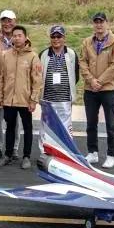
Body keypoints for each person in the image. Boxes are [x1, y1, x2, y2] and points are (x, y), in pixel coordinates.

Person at [80, 12, 114, 169]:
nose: (99, 25)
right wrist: (91, 80)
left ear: (107, 23)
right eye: (96, 22)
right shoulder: (87, 42)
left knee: (111, 124)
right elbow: (82, 62)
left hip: (108, 89)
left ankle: (111, 155)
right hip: (90, 89)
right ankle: (92, 152)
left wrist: (100, 81)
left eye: (101, 22)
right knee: (91, 122)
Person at [0, 25, 42, 169]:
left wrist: (33, 99)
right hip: (9, 98)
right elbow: (1, 77)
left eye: (19, 35)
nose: (16, 38)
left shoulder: (33, 56)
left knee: (27, 128)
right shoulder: (5, 55)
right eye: (14, 36)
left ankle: (26, 156)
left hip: (25, 99)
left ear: (25, 37)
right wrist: (0, 96)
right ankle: (8, 155)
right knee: (10, 127)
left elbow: (37, 80)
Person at [38, 25, 79, 157]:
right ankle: (45, 151)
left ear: (64, 38)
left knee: (65, 127)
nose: (56, 39)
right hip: (48, 98)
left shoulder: (71, 54)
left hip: (65, 98)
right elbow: (39, 75)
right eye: (53, 36)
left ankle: (65, 152)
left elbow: (75, 75)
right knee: (46, 127)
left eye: (59, 36)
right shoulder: (43, 54)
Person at [0, 9, 18, 161]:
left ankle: (14, 148)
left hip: (15, 84)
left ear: (15, 21)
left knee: (14, 118)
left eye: (10, 20)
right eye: (4, 20)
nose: (7, 23)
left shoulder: (20, 38)